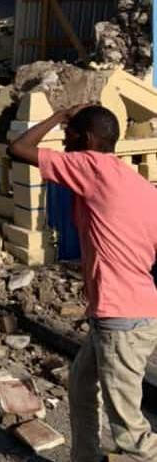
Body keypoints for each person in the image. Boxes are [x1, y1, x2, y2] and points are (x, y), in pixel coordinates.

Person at [9, 103, 157, 462]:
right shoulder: (139, 185)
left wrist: (58, 116)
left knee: (130, 432)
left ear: (87, 139)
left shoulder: (91, 166)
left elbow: (18, 148)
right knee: (80, 386)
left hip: (120, 319)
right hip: (130, 313)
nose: (64, 143)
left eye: (70, 135)